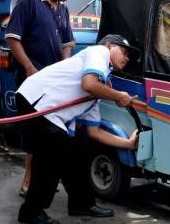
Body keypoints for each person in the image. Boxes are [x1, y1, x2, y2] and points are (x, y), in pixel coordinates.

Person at [16, 34, 140, 224]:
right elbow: (89, 84)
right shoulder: (99, 51)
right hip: (35, 101)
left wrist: (129, 144)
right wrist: (117, 96)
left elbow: (94, 132)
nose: (127, 57)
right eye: (123, 51)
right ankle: (31, 212)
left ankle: (81, 203)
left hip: (50, 113)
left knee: (76, 151)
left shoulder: (96, 93)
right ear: (109, 45)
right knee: (51, 156)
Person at [6, 0, 81, 197]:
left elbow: (67, 43)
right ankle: (28, 181)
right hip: (32, 83)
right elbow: (12, 38)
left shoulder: (62, 9)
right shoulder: (29, 2)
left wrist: (64, 66)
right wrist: (29, 67)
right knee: (33, 135)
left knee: (52, 134)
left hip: (54, 84)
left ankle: (44, 180)